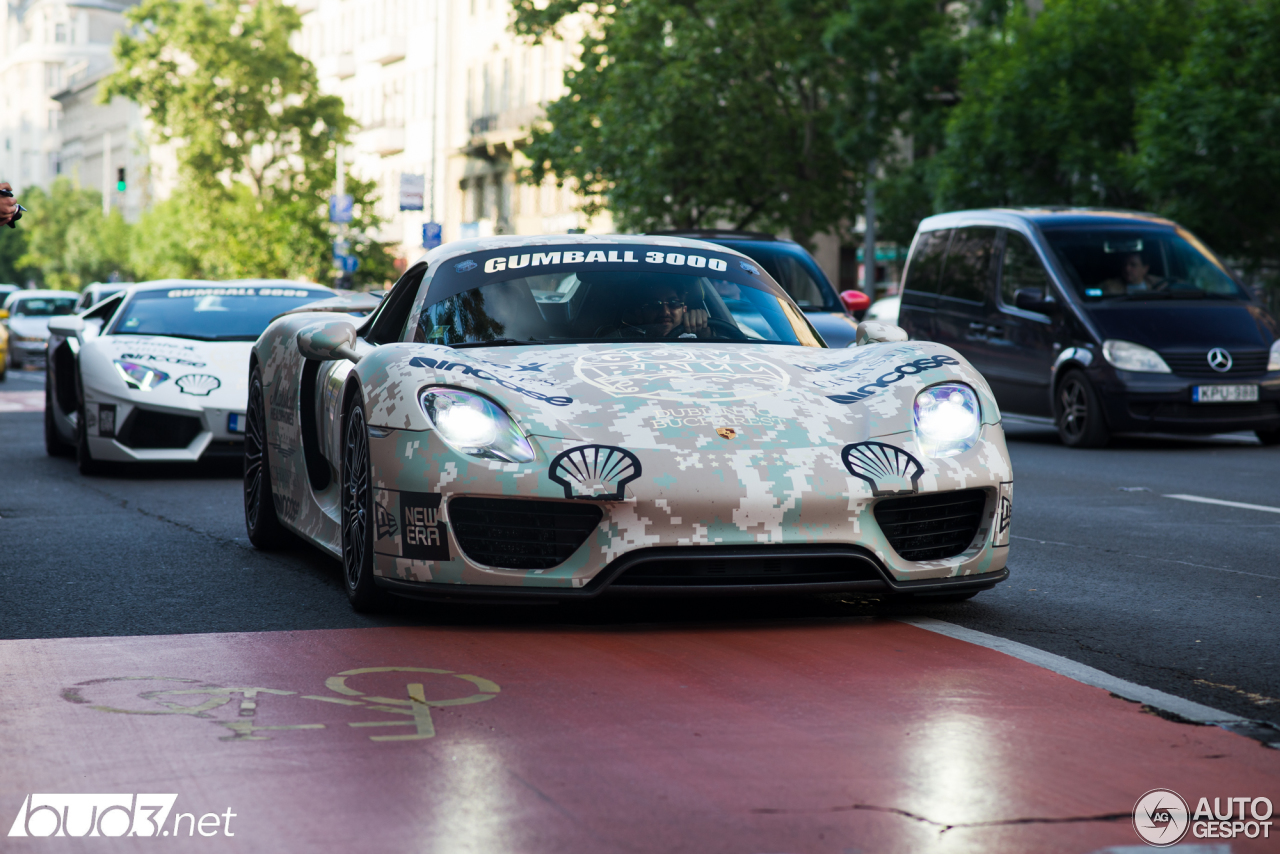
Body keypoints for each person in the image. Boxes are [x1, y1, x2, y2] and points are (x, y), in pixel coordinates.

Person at [609, 282, 710, 338]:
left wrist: (705, 333)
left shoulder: (696, 340)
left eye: (673, 303)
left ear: (684, 310)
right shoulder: (624, 343)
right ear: (639, 314)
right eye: (654, 305)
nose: (665, 312)